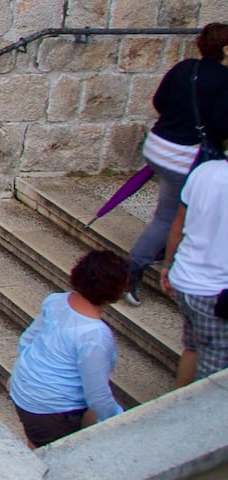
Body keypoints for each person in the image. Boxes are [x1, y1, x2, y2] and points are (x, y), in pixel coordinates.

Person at [126, 23, 228, 306]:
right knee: (168, 217)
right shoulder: (225, 80)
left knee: (173, 205)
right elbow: (220, 124)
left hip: (158, 144)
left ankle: (162, 247)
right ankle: (132, 270)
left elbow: (159, 101)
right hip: (183, 156)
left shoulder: (185, 67)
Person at [9, 251, 128, 448]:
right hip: (52, 410)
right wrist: (121, 418)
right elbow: (97, 395)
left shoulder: (56, 301)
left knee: (36, 440)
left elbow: (26, 341)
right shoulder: (95, 335)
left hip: (22, 389)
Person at [164, 141, 228, 387]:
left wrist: (168, 265)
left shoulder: (204, 171)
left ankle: (176, 399)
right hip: (214, 293)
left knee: (192, 348)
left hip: (184, 277)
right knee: (211, 377)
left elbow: (178, 225)